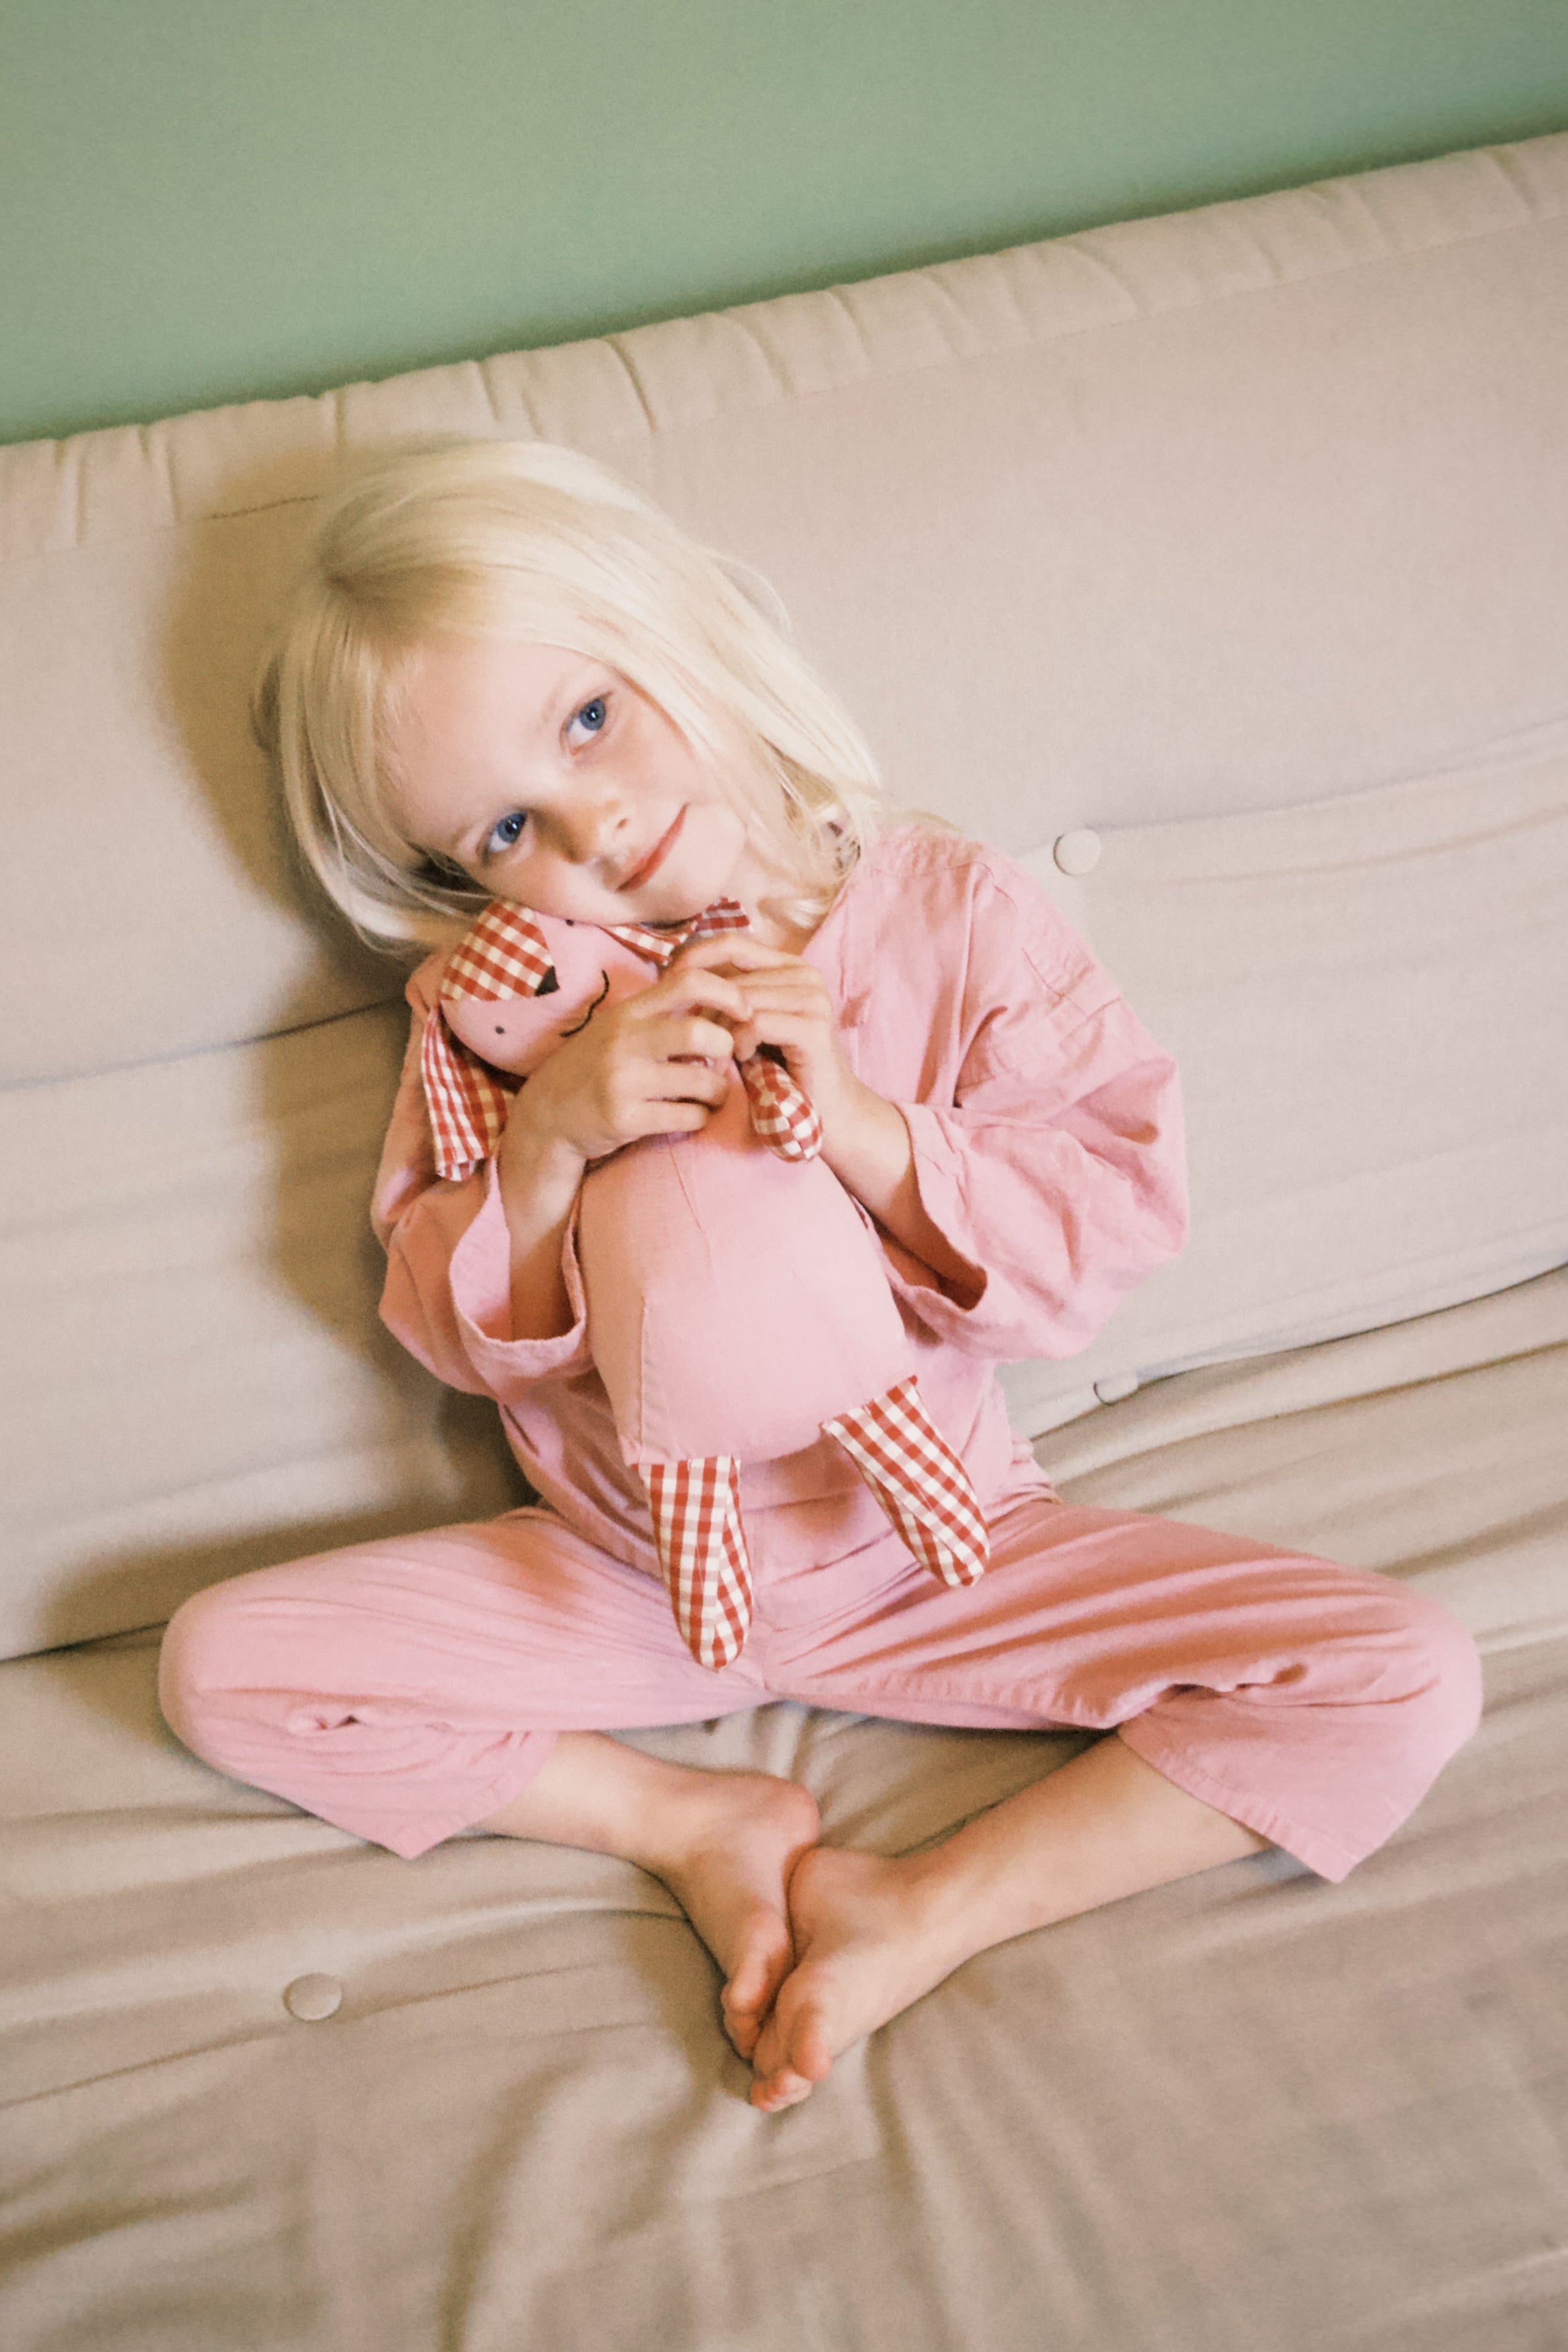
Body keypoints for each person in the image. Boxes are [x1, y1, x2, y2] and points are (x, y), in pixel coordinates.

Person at [158, 439, 1482, 2113]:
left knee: (1405, 1674)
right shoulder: (491, 1014)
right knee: (222, 1666)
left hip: (941, 1546)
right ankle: (690, 1821)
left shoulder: (945, 910)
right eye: (507, 826)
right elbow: (443, 1321)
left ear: (678, 626)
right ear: (460, 875)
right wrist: (547, 1147)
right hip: (627, 1571)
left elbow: (1109, 1211)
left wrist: (861, 1128)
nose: (596, 825)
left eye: (590, 718)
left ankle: (923, 1905)